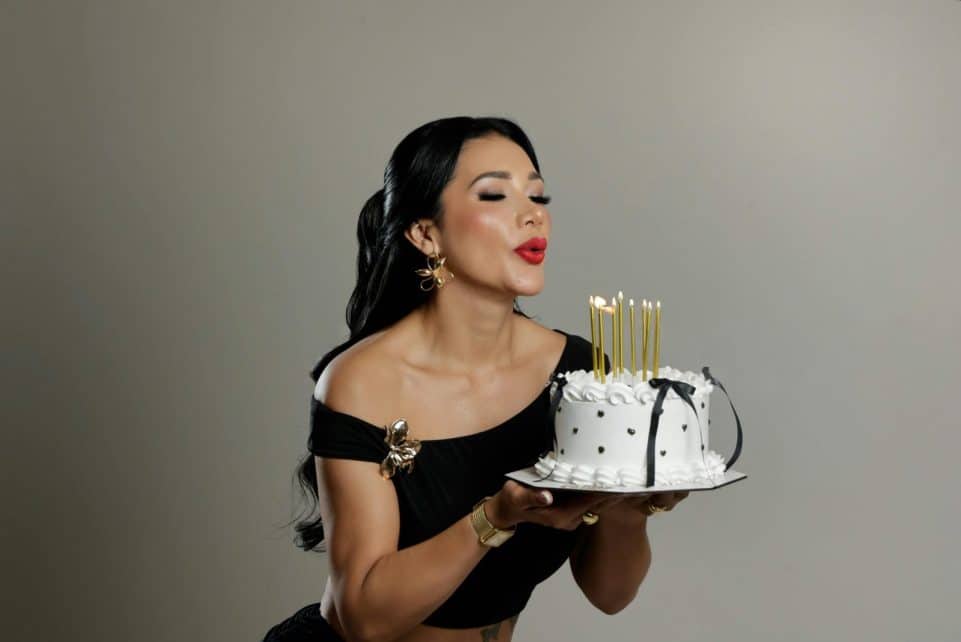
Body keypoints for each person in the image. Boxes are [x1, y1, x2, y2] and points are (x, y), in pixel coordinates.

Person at [263, 116, 689, 642]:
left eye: (537, 196)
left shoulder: (581, 374)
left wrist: (629, 509)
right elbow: (363, 619)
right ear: (426, 233)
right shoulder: (362, 382)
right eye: (495, 195)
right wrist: (497, 516)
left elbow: (610, 595)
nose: (532, 215)